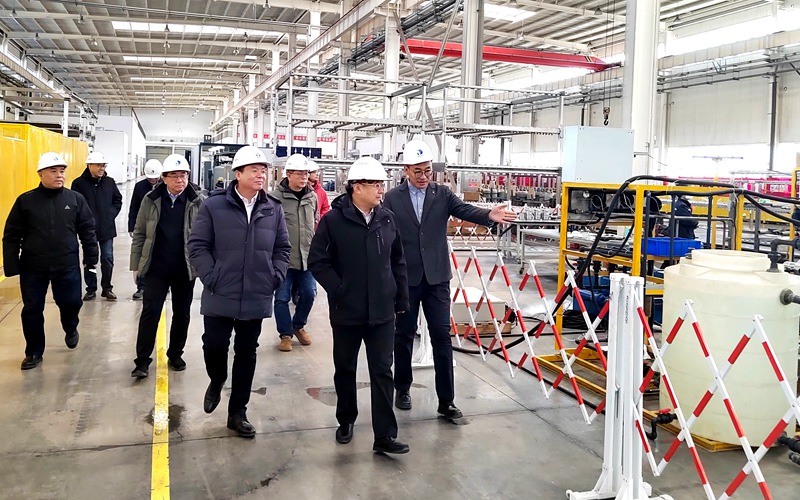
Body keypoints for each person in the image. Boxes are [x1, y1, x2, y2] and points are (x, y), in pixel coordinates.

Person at [383, 140, 516, 419]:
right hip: (406, 278)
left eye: (428, 170)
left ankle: (446, 401)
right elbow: (385, 232)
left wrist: (489, 215)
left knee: (442, 336)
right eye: (417, 171)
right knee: (403, 335)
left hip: (437, 279)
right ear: (406, 170)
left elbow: (465, 210)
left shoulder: (442, 193)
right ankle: (402, 388)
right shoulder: (393, 198)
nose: (423, 176)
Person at [308, 157, 410, 454]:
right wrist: (340, 290)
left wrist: (400, 298)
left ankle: (385, 435)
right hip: (347, 311)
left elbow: (398, 261)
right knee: (345, 368)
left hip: (382, 311)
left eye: (381, 184)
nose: (381, 190)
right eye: (375, 184)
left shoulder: (387, 219)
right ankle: (346, 420)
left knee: (382, 371)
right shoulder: (333, 221)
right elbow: (318, 261)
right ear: (357, 187)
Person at [188, 145, 291, 438]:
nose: (261, 175)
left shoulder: (272, 208)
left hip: (257, 291)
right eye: (254, 170)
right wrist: (211, 276)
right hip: (221, 289)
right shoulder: (214, 206)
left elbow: (282, 248)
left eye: (264, 170)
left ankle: (238, 413)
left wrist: (274, 277)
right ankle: (217, 378)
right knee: (214, 345)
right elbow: (197, 245)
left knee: (247, 352)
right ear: (238, 174)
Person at [2, 152, 98, 370]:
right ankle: (34, 351)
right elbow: (12, 234)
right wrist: (12, 265)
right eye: (53, 171)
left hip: (66, 264)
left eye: (62, 171)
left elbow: (87, 230)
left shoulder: (75, 200)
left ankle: (70, 326)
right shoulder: (26, 201)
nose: (59, 175)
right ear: (40, 174)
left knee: (71, 302)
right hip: (33, 266)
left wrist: (91, 258)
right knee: (32, 309)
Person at [130, 154, 205, 378]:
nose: (180, 180)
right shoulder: (151, 199)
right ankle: (142, 361)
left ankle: (175, 354)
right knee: (150, 313)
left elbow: (206, 235)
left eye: (184, 175)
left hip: (184, 268)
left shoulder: (198, 201)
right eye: (175, 176)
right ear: (164, 178)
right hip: (157, 268)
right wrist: (136, 265)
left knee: (182, 314)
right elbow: (140, 232)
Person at [271, 154, 318, 352]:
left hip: (307, 257)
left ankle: (298, 325)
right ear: (288, 175)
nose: (304, 177)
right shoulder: (275, 198)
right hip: (283, 259)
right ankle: (285, 334)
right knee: (281, 298)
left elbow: (313, 222)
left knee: (309, 294)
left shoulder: (312, 197)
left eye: (306, 173)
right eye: (299, 174)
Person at [71, 151, 123, 301]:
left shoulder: (109, 182)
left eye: (104, 165)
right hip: (88, 230)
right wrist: (84, 221)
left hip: (106, 228)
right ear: (89, 165)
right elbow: (75, 205)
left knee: (107, 258)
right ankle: (91, 289)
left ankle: (107, 288)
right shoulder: (78, 184)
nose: (102, 168)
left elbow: (117, 200)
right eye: (99, 165)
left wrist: (110, 215)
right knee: (90, 260)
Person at [128, 159, 163, 300]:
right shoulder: (140, 187)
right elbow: (134, 206)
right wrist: (132, 226)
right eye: (150, 178)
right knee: (143, 257)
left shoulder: (166, 186)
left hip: (160, 228)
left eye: (155, 178)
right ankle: (141, 287)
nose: (153, 181)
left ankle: (162, 285)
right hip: (144, 227)